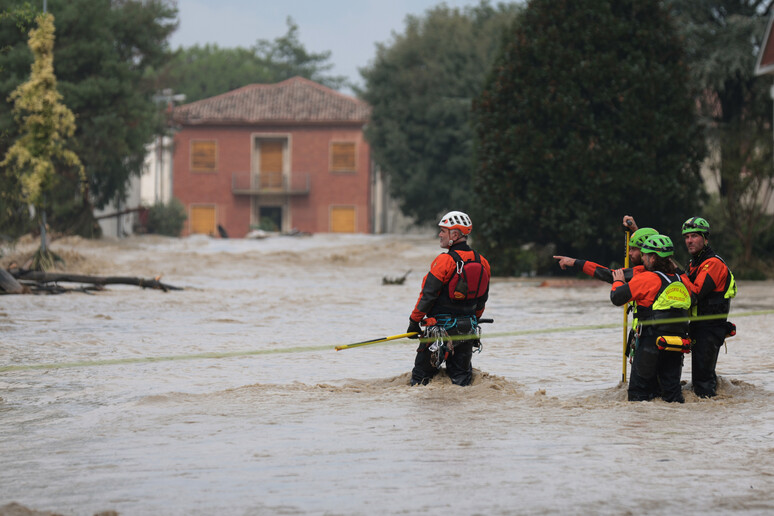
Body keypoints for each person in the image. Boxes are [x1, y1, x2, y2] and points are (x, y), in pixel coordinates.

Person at [407, 211, 491, 386]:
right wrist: (473, 319)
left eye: (443, 231)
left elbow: (428, 296)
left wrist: (414, 322)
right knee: (461, 382)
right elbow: (482, 300)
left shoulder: (445, 261)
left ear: (455, 234)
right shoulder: (483, 262)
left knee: (420, 380)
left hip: (439, 331)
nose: (440, 234)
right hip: (468, 331)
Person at [610, 235, 693, 402]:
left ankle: (639, 427)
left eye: (645, 255)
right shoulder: (682, 280)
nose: (642, 258)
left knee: (638, 394)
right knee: (672, 394)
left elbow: (616, 298)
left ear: (653, 258)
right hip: (676, 344)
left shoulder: (647, 278)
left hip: (651, 342)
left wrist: (618, 281)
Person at [680, 217, 737, 398]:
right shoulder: (694, 263)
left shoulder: (713, 264)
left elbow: (694, 294)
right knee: (699, 380)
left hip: (710, 328)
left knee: (703, 384)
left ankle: (710, 419)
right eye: (687, 237)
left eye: (694, 236)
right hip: (698, 326)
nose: (689, 240)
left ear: (705, 239)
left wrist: (678, 274)